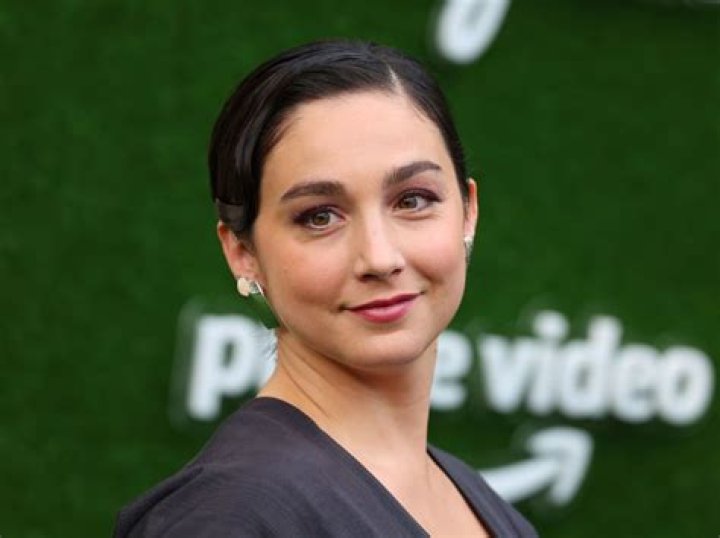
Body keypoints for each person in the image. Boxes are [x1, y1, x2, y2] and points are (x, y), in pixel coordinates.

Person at [114, 39, 537, 537]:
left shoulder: (485, 506)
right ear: (242, 252)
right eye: (319, 217)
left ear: (468, 211)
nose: (380, 258)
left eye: (413, 200)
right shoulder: (230, 515)